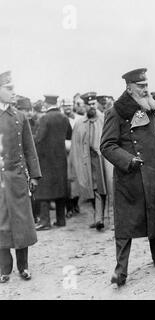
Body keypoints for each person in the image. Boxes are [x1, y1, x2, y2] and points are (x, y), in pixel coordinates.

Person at [100, 68, 155, 287]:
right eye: (141, 86)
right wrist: (128, 160)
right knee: (126, 225)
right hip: (130, 176)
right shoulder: (116, 112)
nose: (145, 89)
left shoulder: (153, 107)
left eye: (146, 84)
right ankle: (120, 271)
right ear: (129, 88)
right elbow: (106, 145)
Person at [0, 71, 41, 283]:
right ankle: (4, 269)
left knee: (22, 222)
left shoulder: (19, 117)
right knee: (1, 223)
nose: (13, 92)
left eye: (13, 87)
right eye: (9, 88)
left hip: (17, 178)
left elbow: (29, 148)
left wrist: (34, 176)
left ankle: (23, 267)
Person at [70, 92, 108, 231]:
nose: (92, 107)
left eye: (94, 104)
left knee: (100, 188)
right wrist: (75, 163)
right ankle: (97, 217)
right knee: (89, 189)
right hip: (86, 161)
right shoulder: (79, 123)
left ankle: (99, 218)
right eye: (89, 105)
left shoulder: (103, 119)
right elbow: (75, 145)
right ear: (85, 106)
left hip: (101, 160)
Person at [34, 94, 72, 230]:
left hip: (46, 160)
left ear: (46, 104)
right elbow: (69, 135)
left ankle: (45, 222)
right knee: (60, 188)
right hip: (61, 159)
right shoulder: (64, 117)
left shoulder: (44, 119)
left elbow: (39, 139)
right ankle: (61, 220)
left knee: (44, 190)